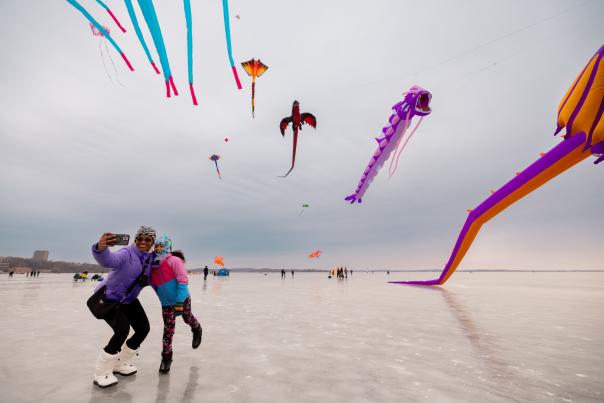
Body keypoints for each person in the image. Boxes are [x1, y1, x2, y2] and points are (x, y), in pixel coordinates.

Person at [89, 226, 155, 388]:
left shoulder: (150, 258)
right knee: (122, 331)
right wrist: (101, 247)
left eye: (147, 239)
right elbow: (109, 261)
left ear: (152, 242)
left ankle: (120, 363)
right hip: (111, 298)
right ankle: (101, 372)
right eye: (140, 238)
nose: (143, 242)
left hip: (129, 299)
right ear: (135, 239)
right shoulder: (127, 253)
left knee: (143, 328)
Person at [150, 236, 202, 374]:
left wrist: (179, 302)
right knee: (168, 330)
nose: (158, 248)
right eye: (156, 246)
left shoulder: (175, 260)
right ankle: (166, 357)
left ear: (167, 247)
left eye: (161, 246)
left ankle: (197, 328)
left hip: (182, 299)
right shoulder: (152, 264)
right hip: (166, 303)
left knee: (187, 317)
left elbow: (183, 281)